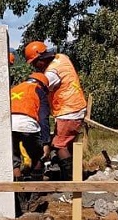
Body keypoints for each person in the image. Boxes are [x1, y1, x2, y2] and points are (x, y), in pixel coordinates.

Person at [24, 41, 87, 181]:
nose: (35, 67)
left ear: (41, 58)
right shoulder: (61, 58)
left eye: (35, 63)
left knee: (59, 146)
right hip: (75, 106)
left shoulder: (51, 73)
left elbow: (40, 90)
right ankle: (72, 176)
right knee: (66, 144)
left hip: (69, 110)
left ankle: (70, 181)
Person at [10, 72, 50, 181]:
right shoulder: (38, 90)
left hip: (9, 125)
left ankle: (19, 194)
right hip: (28, 125)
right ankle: (36, 191)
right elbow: (43, 117)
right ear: (42, 84)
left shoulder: (14, 89)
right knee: (39, 156)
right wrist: (46, 142)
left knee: (14, 159)